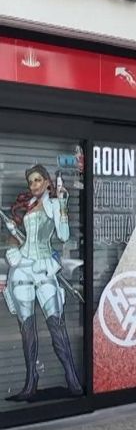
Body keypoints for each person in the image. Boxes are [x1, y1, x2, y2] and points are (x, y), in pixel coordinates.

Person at [2, 164, 82, 401]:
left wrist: (63, 205)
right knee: (27, 328)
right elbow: (13, 238)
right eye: (31, 182)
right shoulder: (26, 206)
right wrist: (13, 250)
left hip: (45, 267)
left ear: (48, 182)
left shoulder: (54, 204)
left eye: (38, 180)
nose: (34, 185)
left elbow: (64, 235)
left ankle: (72, 378)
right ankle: (31, 382)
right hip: (22, 269)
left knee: (56, 324)